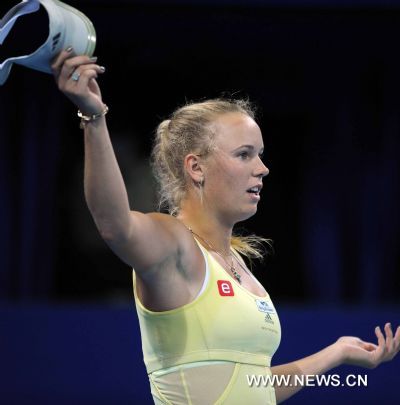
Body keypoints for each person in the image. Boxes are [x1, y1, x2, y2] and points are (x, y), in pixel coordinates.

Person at [51, 49, 400, 404]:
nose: (262, 168)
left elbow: (253, 387)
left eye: (260, 154)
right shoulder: (176, 247)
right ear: (196, 168)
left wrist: (336, 353)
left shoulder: (237, 266)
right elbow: (115, 225)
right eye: (244, 154)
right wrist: (94, 118)